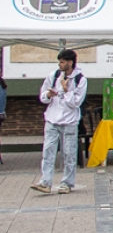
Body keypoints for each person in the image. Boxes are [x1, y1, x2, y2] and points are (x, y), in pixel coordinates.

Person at [30, 49, 88, 194]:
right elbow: (42, 96)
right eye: (59, 61)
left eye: (62, 62)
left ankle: (67, 183)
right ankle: (45, 182)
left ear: (70, 62)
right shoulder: (53, 75)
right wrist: (48, 95)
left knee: (69, 153)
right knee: (48, 151)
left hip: (69, 121)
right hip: (52, 119)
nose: (60, 65)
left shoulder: (80, 79)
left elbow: (76, 103)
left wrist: (66, 90)